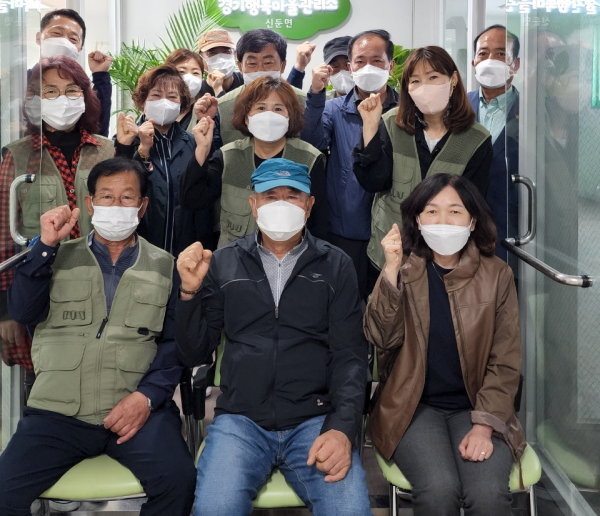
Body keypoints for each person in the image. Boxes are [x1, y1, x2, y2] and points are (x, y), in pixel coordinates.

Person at [0, 158, 196, 516]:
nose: (116, 205)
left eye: (127, 198)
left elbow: (174, 345)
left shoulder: (166, 266)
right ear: (89, 204)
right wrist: (45, 246)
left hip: (135, 413)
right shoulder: (55, 256)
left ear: (142, 206)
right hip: (56, 413)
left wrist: (146, 398)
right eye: (106, 196)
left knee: (179, 481)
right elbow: (23, 311)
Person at [175, 158, 371, 516]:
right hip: (241, 420)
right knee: (215, 508)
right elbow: (195, 353)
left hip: (315, 420)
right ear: (253, 205)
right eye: (270, 196)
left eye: (292, 196)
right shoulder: (223, 263)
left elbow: (350, 357)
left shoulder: (336, 265)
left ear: (309, 205)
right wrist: (189, 293)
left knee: (349, 509)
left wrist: (342, 428)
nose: (281, 205)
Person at [364, 174, 525, 516]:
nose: (443, 220)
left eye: (455, 211)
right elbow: (380, 337)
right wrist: (390, 270)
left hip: (478, 406)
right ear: (418, 220)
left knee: (487, 496)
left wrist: (484, 425)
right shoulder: (404, 268)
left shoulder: (497, 275)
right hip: (412, 407)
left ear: (472, 221)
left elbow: (506, 361)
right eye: (432, 211)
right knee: (439, 491)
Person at [0, 56, 114, 372]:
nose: (62, 99)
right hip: (37, 288)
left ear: (85, 96)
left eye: (72, 90)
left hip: (99, 285)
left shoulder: (106, 150)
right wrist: (5, 310)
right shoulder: (18, 155)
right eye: (50, 91)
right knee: (45, 377)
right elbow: (3, 233)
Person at [353, 45, 492, 270]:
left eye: (433, 77)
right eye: (415, 81)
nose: (424, 87)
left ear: (453, 80)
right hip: (390, 253)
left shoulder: (476, 139)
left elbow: (474, 205)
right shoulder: (392, 124)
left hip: (445, 257)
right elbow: (373, 182)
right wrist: (370, 126)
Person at [301, 28, 399, 300]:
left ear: (390, 66)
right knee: (347, 305)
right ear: (350, 67)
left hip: (393, 231)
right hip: (346, 229)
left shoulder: (404, 112)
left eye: (376, 60)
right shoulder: (335, 110)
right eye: (360, 61)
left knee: (389, 306)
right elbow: (311, 144)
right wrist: (316, 93)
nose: (368, 67)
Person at [180, 77, 328, 245]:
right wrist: (202, 148)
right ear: (246, 117)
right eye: (261, 108)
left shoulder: (309, 159)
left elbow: (319, 224)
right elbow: (191, 200)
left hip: (290, 256)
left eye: (278, 109)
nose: (269, 115)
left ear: (290, 117)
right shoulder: (228, 157)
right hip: (234, 256)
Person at [114, 65, 204, 254]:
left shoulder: (193, 143)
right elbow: (119, 188)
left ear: (181, 104)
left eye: (172, 97)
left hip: (184, 247)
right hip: (138, 247)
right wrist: (143, 150)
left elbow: (200, 196)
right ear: (143, 102)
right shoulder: (126, 140)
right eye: (156, 95)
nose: (164, 102)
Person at [196, 28, 306, 147]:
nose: (260, 70)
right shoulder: (223, 106)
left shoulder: (303, 103)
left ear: (283, 65)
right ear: (240, 67)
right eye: (252, 64)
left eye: (268, 63)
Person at [468, 25, 520, 260]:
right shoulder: (456, 107)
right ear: (474, 63)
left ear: (515, 64)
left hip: (510, 233)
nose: (490, 60)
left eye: (501, 54)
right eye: (483, 53)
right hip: (460, 231)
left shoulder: (532, 113)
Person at [35, 8, 113, 137]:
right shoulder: (20, 82)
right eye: (57, 33)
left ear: (80, 48)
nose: (64, 42)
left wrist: (100, 75)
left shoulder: (80, 89)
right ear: (39, 38)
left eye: (73, 39)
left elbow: (98, 133)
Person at [288, 36, 353, 99]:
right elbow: (288, 100)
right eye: (335, 66)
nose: (343, 72)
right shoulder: (321, 101)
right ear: (328, 70)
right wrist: (300, 66)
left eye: (348, 65)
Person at [164, 48, 211, 132]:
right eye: (181, 72)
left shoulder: (205, 110)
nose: (189, 78)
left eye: (195, 73)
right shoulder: (157, 108)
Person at [197, 28, 242, 98]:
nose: (220, 59)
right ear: (201, 59)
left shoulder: (246, 82)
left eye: (226, 52)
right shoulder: (196, 92)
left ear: (235, 55)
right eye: (212, 53)